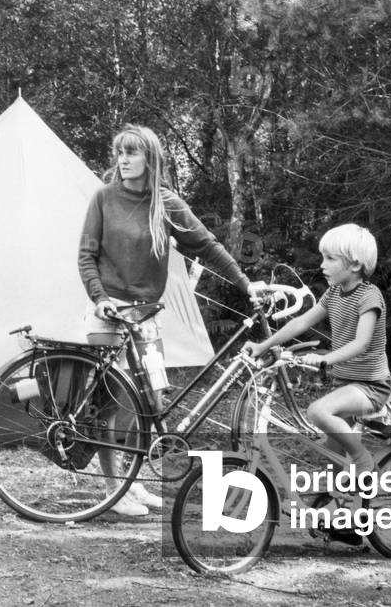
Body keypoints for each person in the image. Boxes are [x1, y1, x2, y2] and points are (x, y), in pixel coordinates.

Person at [78, 124, 263, 516]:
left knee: (152, 401)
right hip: (109, 313)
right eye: (120, 153)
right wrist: (99, 298)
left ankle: (134, 482)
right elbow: (86, 255)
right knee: (115, 403)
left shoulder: (166, 204)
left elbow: (208, 246)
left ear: (150, 158)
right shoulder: (103, 198)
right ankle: (114, 491)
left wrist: (245, 284)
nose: (123, 160)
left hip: (146, 316)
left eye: (131, 153)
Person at [245, 224, 390, 486]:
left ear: (355, 265)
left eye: (331, 259)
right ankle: (342, 513)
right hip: (344, 384)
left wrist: (326, 359)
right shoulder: (334, 293)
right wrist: (263, 346)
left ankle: (363, 459)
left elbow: (361, 343)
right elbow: (300, 323)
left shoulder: (369, 297)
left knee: (317, 411)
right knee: (333, 459)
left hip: (370, 386)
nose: (323, 264)